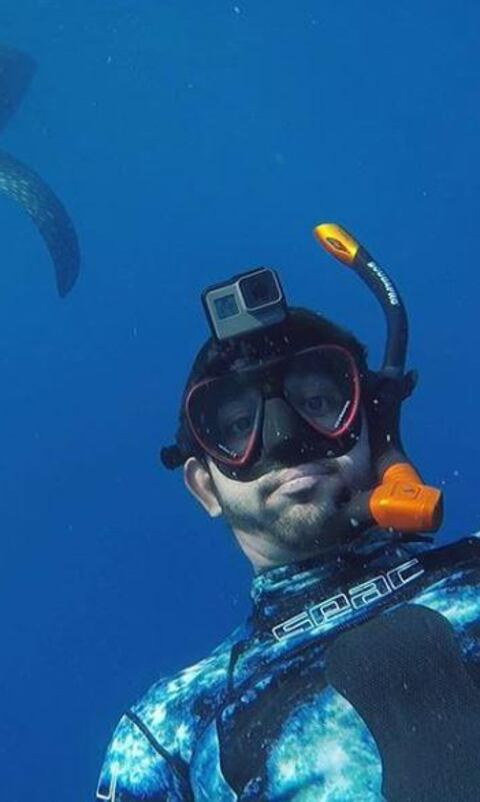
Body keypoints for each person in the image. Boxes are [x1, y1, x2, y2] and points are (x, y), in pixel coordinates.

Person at [94, 226, 480, 802]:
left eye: (320, 404)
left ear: (377, 429)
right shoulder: (169, 730)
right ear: (204, 486)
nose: (285, 440)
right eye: (237, 427)